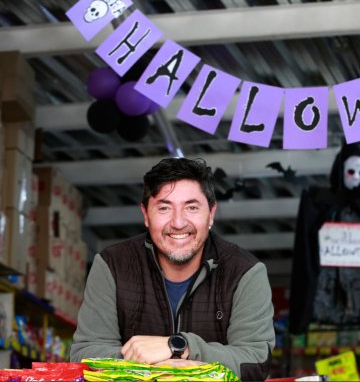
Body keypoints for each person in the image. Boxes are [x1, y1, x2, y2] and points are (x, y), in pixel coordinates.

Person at [70, 157, 275, 381]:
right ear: (146, 215)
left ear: (211, 214)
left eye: (192, 207)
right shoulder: (112, 265)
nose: (178, 222)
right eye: (164, 207)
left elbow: (255, 362)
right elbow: (85, 354)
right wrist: (158, 366)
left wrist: (181, 347)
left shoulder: (245, 272)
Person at [288, 143, 360, 334]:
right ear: (340, 169)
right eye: (351, 171)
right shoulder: (319, 202)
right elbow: (305, 250)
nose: (356, 177)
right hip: (326, 291)